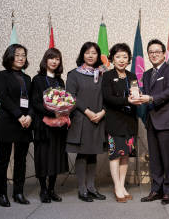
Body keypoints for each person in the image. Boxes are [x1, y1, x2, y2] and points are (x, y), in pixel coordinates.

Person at [138, 39, 169, 205]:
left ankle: (168, 190)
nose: (154, 54)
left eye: (157, 51)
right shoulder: (147, 74)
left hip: (167, 120)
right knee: (154, 158)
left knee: (168, 158)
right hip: (151, 120)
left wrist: (151, 98)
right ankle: (156, 189)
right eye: (151, 52)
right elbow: (145, 94)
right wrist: (136, 97)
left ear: (164, 54)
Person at [0, 44, 33, 207]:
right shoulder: (1, 75)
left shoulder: (27, 78)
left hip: (25, 123)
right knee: (3, 159)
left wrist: (29, 116)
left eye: (23, 55)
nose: (21, 58)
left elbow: (32, 100)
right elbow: (4, 98)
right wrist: (19, 116)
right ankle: (1, 193)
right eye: (17, 55)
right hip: (7, 121)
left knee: (21, 160)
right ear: (10, 56)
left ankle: (18, 192)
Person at [66, 42, 106, 202]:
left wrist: (102, 113)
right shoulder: (73, 74)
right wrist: (88, 112)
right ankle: (82, 189)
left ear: (98, 56)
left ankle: (91, 187)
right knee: (83, 154)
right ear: (82, 54)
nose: (90, 55)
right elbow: (71, 96)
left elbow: (109, 95)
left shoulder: (103, 74)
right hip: (82, 119)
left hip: (99, 118)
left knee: (93, 153)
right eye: (87, 52)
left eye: (94, 53)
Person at [31, 48, 69, 203]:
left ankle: (52, 189)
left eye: (57, 59)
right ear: (45, 60)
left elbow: (65, 102)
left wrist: (64, 111)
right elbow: (35, 102)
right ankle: (43, 190)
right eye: (51, 58)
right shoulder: (37, 79)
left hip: (58, 126)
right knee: (43, 157)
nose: (54, 61)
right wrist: (54, 112)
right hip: (43, 125)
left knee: (56, 157)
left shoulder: (60, 81)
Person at [102, 43, 139, 203]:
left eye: (125, 56)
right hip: (114, 121)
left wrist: (138, 98)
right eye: (118, 57)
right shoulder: (108, 76)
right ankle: (117, 186)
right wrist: (126, 100)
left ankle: (122, 185)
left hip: (130, 121)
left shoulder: (132, 76)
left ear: (129, 59)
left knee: (126, 156)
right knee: (115, 155)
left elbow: (136, 94)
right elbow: (107, 97)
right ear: (112, 59)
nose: (122, 60)